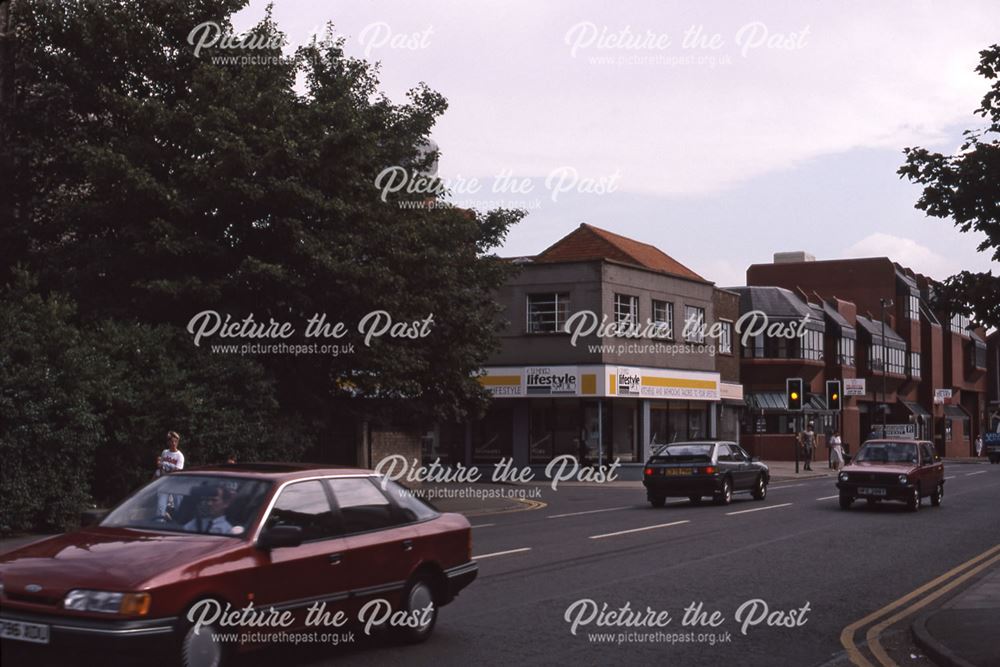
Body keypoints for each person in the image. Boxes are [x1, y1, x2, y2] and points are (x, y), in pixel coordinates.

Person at [156, 431, 185, 518]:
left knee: (178, 506)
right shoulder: (165, 452)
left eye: (175, 441)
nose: (174, 443)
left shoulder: (180, 456)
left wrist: (166, 467)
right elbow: (160, 466)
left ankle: (180, 524)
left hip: (176, 484)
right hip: (164, 483)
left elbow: (176, 471)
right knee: (160, 507)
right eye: (172, 441)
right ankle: (159, 524)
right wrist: (161, 476)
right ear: (168, 442)